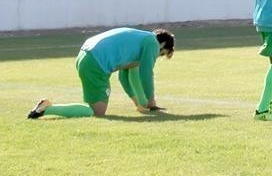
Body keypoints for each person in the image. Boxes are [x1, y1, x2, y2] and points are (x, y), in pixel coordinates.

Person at [28, 28, 175, 119]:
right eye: (161, 54)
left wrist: (139, 103)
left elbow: (125, 76)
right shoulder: (151, 43)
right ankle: (47, 108)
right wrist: (150, 100)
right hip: (96, 63)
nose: (157, 56)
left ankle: (46, 108)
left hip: (86, 57)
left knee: (93, 108)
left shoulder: (139, 41)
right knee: (95, 112)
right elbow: (146, 73)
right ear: (161, 45)